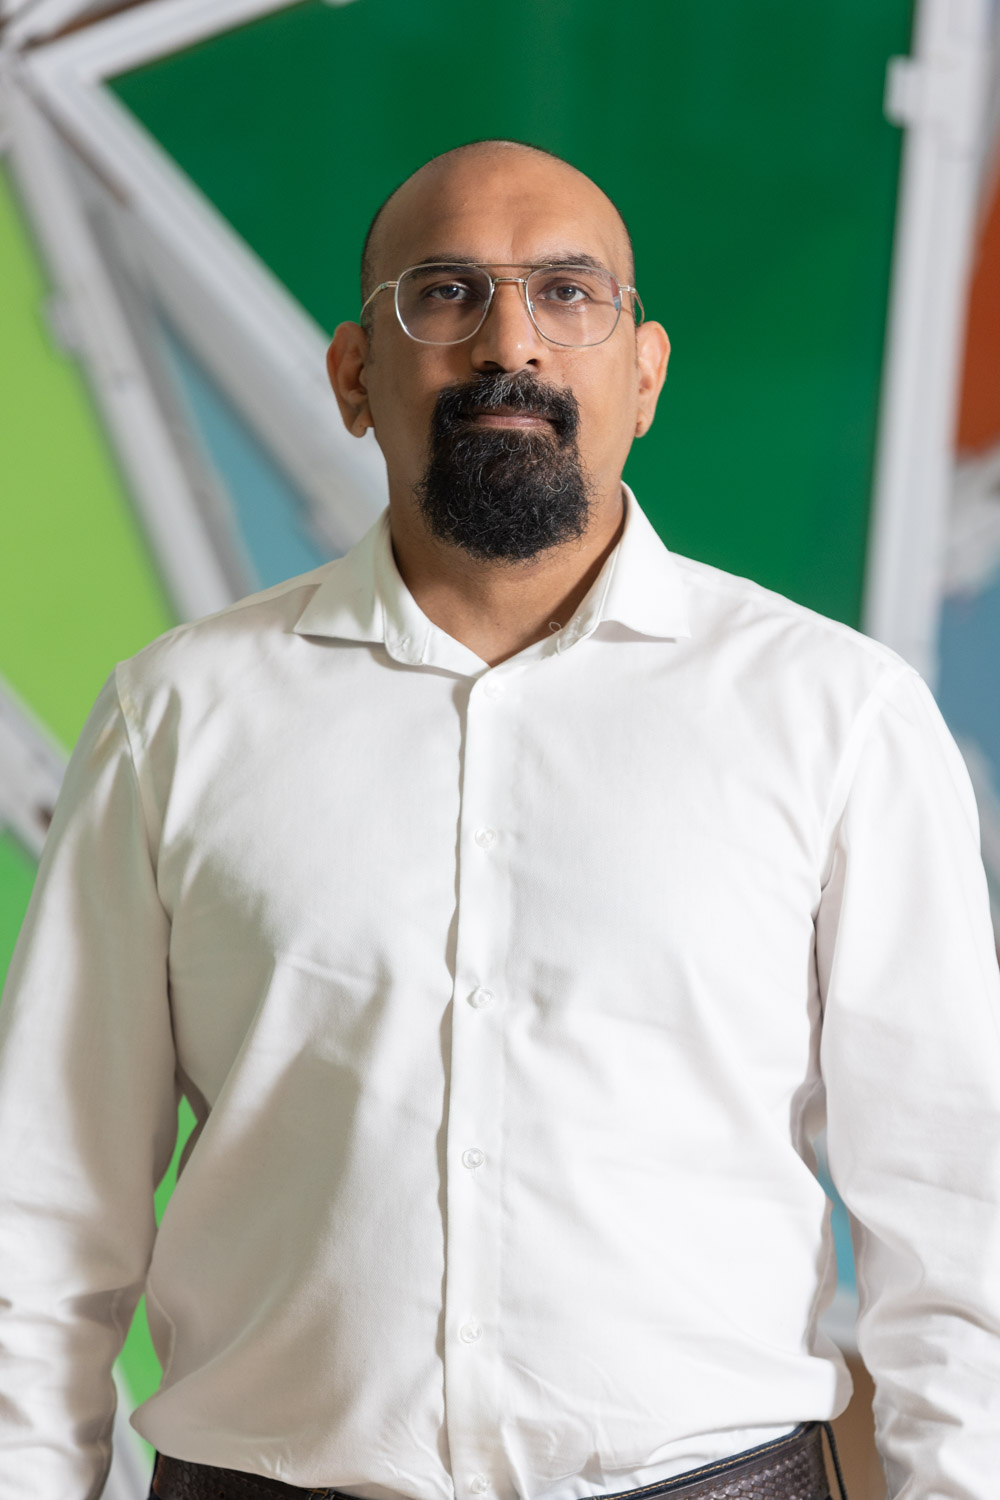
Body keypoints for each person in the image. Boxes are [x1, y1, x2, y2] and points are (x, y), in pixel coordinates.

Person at [0, 139, 998, 1500]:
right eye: (447, 293)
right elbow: (41, 1226)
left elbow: (957, 1226)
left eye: (568, 293)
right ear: (355, 376)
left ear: (645, 374)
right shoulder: (174, 718)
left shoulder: (836, 716)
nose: (510, 342)